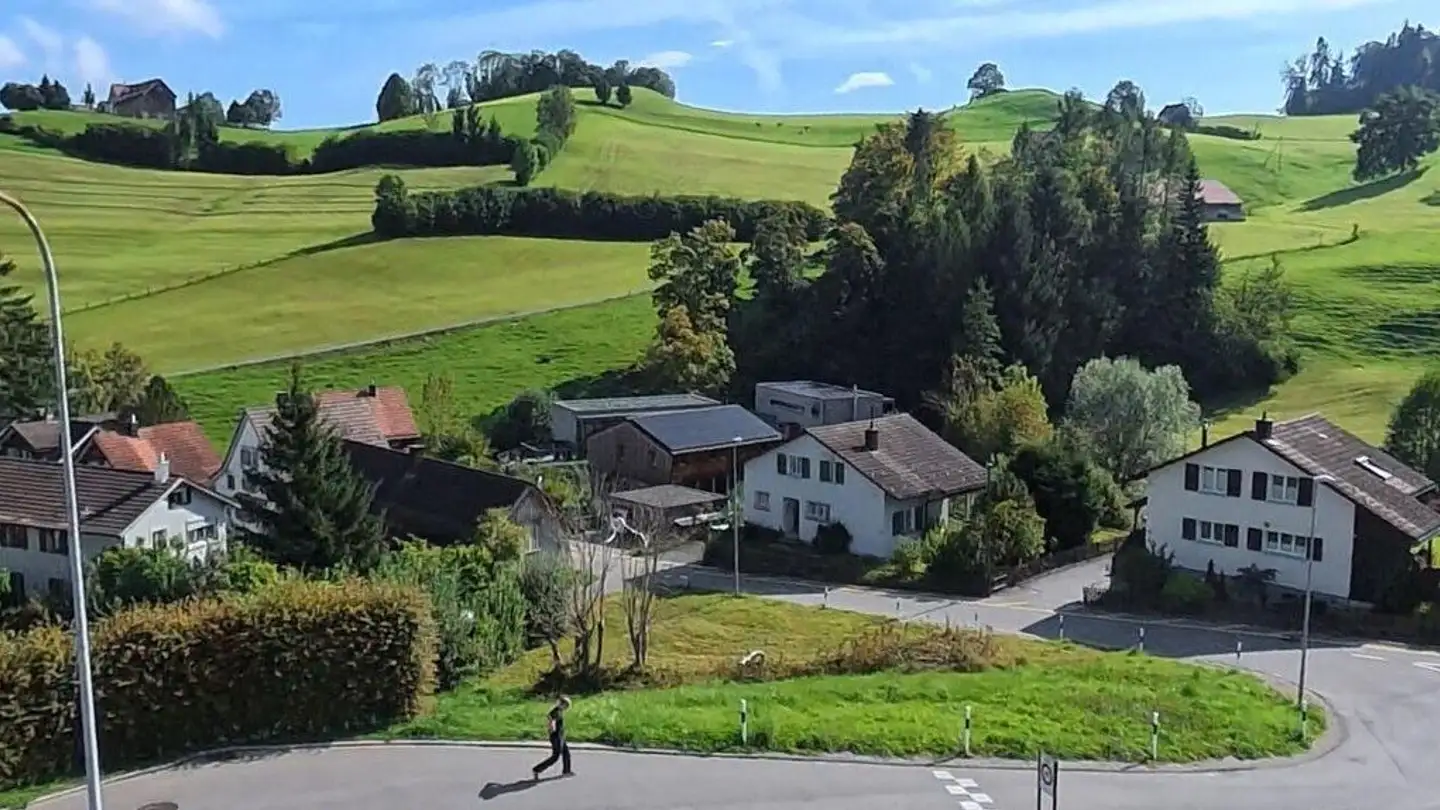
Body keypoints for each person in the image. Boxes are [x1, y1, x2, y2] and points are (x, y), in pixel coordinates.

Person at [532, 696, 573, 779]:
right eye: (566, 705)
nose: (566, 707)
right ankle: (536, 769)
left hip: (560, 736)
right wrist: (551, 730)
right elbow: (551, 721)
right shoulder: (555, 712)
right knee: (555, 757)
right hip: (556, 736)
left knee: (566, 752)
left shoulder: (559, 711)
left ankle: (566, 771)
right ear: (561, 704)